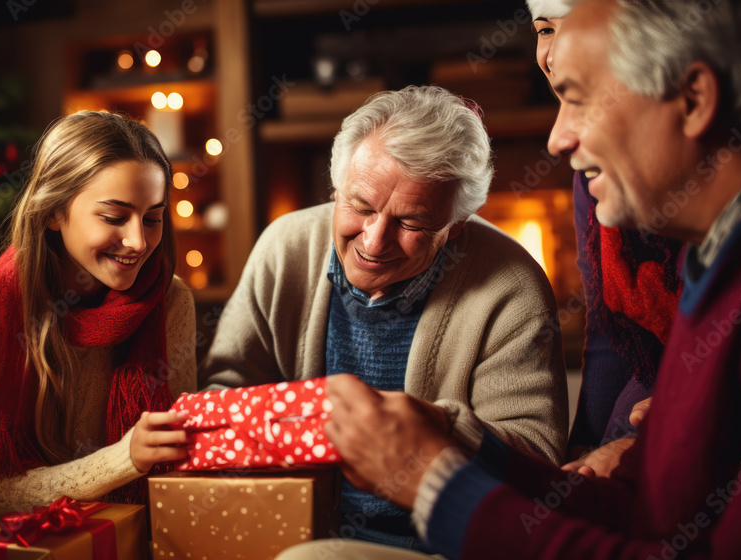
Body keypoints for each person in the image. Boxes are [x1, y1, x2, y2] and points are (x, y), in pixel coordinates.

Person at [280, 0, 741, 557]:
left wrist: (434, 483)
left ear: (693, 99)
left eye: (579, 97)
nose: (558, 139)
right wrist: (456, 440)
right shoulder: (718, 264)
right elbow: (638, 510)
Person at [201, 85, 568, 550]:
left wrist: (434, 426)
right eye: (361, 206)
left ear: (454, 229)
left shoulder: (513, 287)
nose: (374, 242)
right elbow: (222, 392)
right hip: (290, 526)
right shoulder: (284, 246)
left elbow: (538, 460)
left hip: (442, 545)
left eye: (411, 222)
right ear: (336, 188)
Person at [0, 111, 196, 517]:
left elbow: (180, 458)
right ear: (54, 212)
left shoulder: (171, 299)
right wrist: (121, 459)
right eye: (114, 217)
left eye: (153, 218)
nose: (137, 241)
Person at [529, 0, 685, 475]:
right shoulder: (591, 175)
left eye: (582, 99)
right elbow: (606, 330)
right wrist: (583, 450)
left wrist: (680, 411)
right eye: (543, 29)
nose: (551, 55)